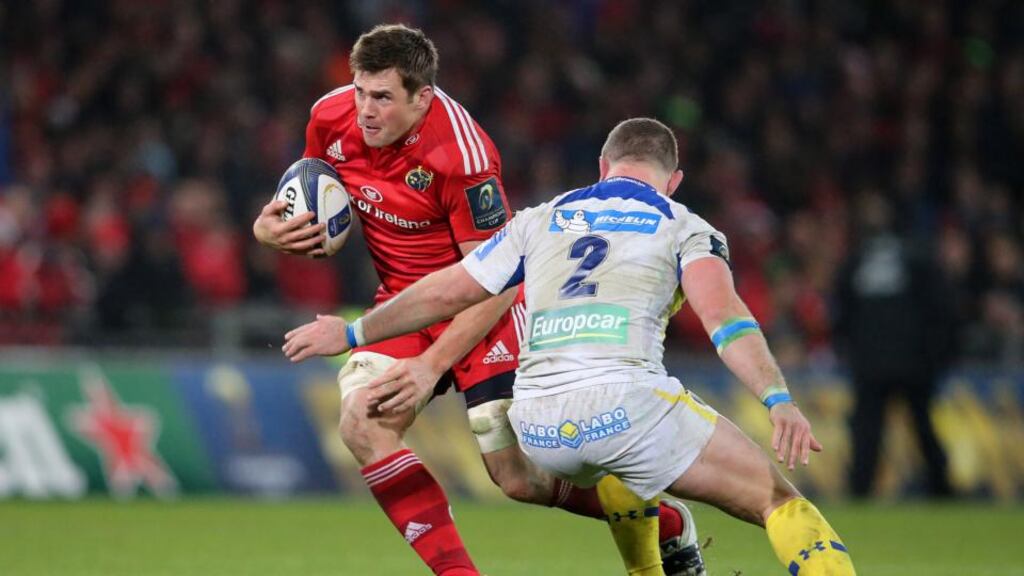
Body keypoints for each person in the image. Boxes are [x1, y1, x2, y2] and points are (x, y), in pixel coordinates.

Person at [283, 118, 859, 575]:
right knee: (780, 503)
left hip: (538, 422)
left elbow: (449, 288)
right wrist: (776, 397)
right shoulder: (686, 226)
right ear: (672, 179)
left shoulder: (541, 218)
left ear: (603, 168)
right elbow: (724, 319)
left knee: (617, 469)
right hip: (627, 404)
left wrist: (355, 331)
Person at [254, 25, 703, 576]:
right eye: (360, 92)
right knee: (360, 423)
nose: (365, 111)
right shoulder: (330, 116)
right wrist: (267, 230)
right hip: (402, 304)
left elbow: (499, 280)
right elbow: (306, 195)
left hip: (483, 314)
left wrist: (430, 366)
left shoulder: (463, 156)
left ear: (423, 97)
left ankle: (670, 524)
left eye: (383, 98)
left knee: (517, 479)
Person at [833, 191, 954, 498]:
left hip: (874, 362)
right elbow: (941, 307)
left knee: (869, 430)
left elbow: (841, 311)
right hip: (911, 361)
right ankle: (941, 489)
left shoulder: (856, 259)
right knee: (920, 425)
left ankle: (860, 491)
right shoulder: (918, 256)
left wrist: (850, 350)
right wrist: (936, 355)